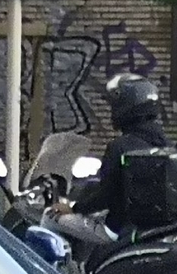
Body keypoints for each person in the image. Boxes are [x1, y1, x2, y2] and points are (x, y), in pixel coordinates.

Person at [68, 73, 171, 235]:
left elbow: (104, 197)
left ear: (126, 106)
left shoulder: (119, 147)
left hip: (117, 229)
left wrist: (73, 208)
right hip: (149, 227)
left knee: (51, 218)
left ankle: (61, 261)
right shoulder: (166, 145)